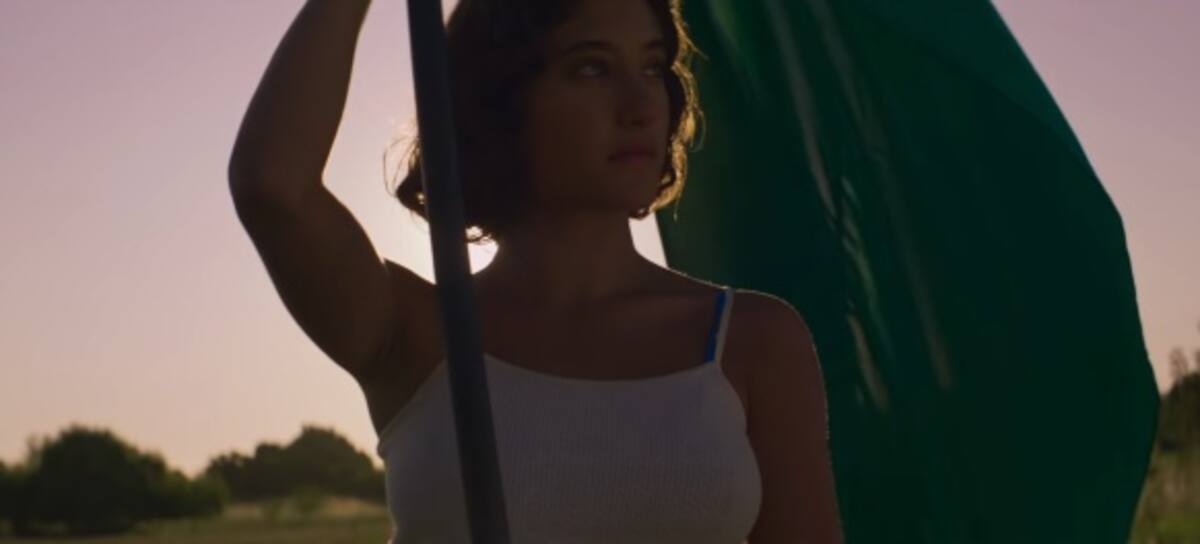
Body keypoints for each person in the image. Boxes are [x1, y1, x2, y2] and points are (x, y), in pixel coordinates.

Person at [228, 0, 842, 541]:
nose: (640, 106)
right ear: (499, 101)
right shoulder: (415, 330)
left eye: (653, 67)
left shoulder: (753, 340)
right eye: (591, 68)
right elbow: (273, 188)